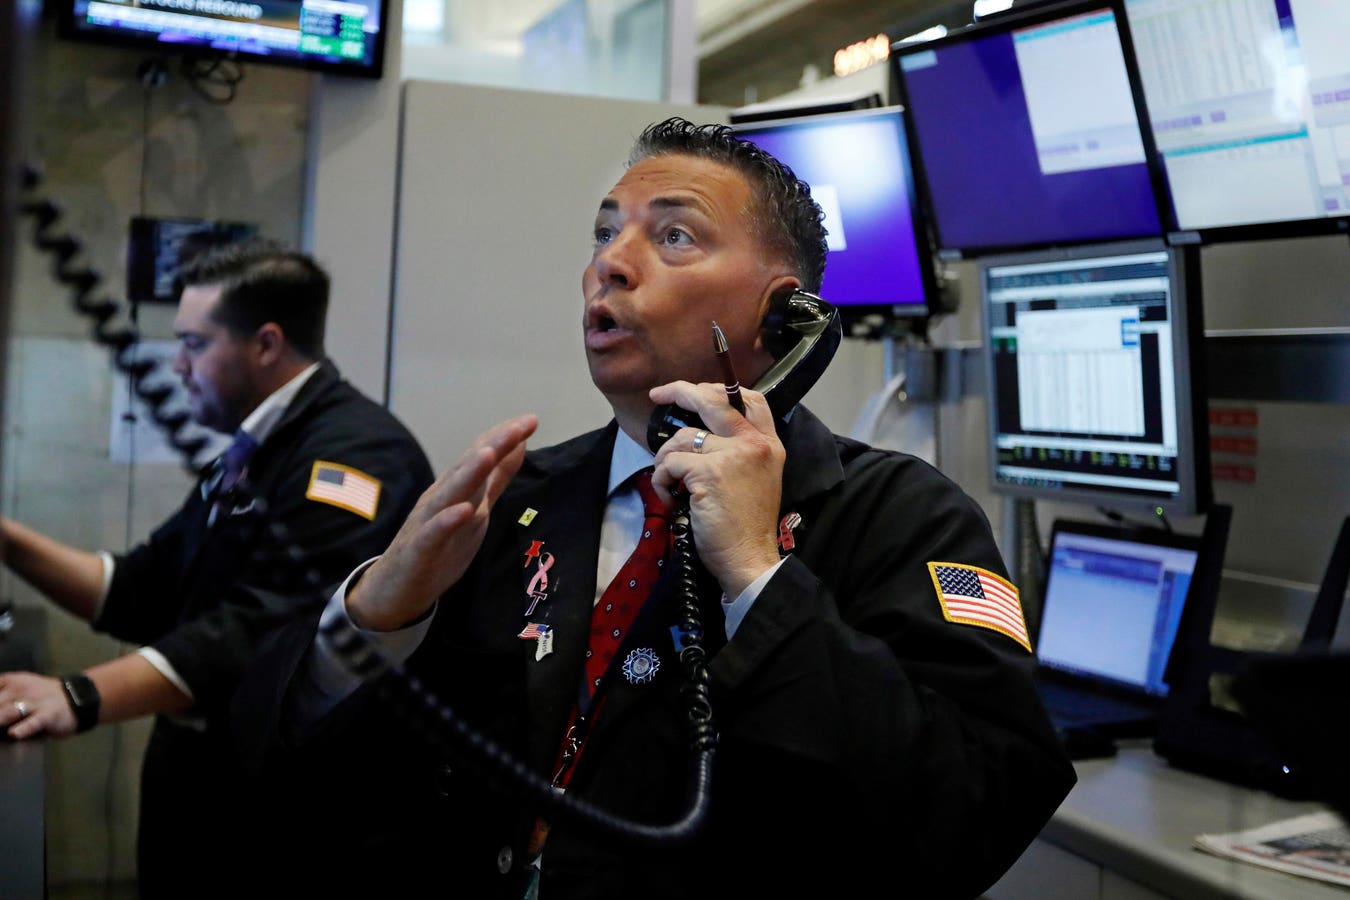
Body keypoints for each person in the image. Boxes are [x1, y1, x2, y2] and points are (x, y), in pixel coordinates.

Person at [234, 119, 1076, 899]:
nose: (612, 262)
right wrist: (377, 616)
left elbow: (978, 809)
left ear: (783, 315)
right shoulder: (513, 499)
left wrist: (758, 578)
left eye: (674, 235)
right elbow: (305, 772)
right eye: (605, 233)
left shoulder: (899, 513)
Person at [0, 240, 435, 898]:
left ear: (266, 344)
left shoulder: (354, 458)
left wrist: (78, 696)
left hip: (282, 825)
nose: (176, 365)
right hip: (200, 795)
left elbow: (261, 636)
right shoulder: (254, 450)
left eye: (193, 344)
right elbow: (141, 589)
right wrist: (7, 542)